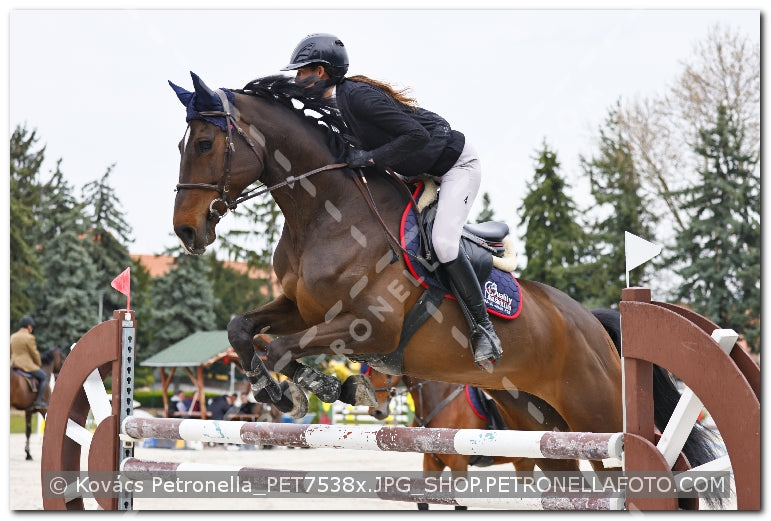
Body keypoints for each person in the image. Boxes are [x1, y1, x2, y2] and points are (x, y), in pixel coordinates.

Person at [281, 33, 502, 370]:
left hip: (455, 166)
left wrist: (370, 158)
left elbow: (417, 135)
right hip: (415, 170)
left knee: (443, 244)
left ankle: (484, 329)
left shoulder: (358, 97)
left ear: (321, 72)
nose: (296, 80)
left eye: (301, 72)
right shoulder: (330, 107)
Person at [10, 316, 48, 408]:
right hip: (26, 365)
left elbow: (10, 351)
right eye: (31, 326)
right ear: (29, 326)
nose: (32, 328)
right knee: (44, 377)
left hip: (13, 364)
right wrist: (38, 364)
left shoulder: (13, 336)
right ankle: (38, 401)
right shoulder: (29, 337)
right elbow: (34, 353)